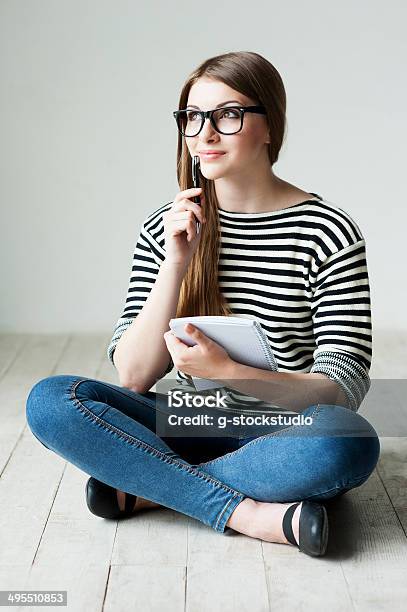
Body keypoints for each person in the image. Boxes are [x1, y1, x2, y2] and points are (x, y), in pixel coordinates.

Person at [26, 51, 380, 558]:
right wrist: (176, 261)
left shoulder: (327, 231)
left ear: (269, 128)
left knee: (348, 440)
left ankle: (149, 487)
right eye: (192, 117)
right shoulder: (167, 225)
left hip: (285, 432)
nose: (204, 133)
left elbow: (341, 392)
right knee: (51, 401)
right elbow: (133, 375)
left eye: (227, 115)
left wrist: (229, 372)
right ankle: (252, 514)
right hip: (191, 420)